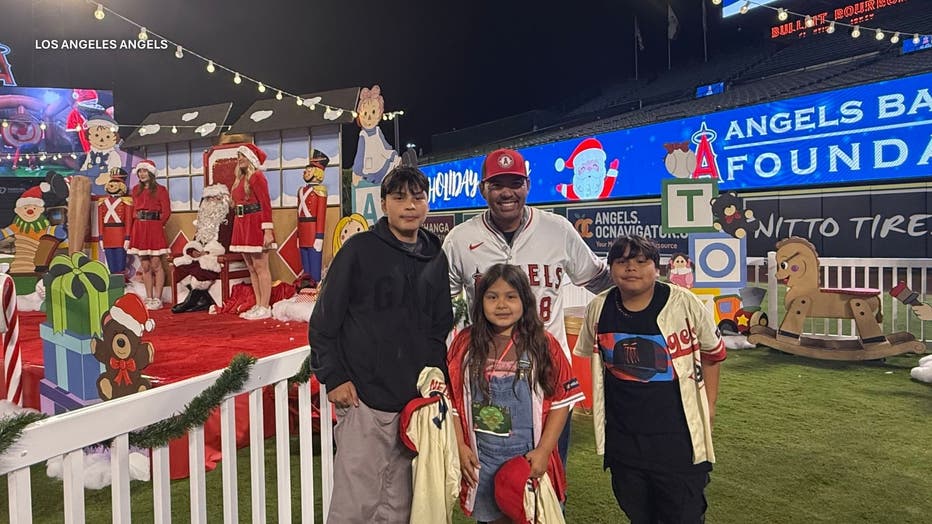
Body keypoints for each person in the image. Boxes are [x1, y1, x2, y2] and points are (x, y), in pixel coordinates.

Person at [443, 147, 613, 466]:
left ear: (528, 186)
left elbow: (599, 279)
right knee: (488, 472)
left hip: (547, 374)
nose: (507, 192)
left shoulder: (557, 229)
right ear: (482, 189)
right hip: (485, 376)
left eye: (515, 183)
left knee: (547, 478)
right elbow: (442, 305)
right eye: (497, 184)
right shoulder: (459, 239)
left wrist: (649, 289)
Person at [308, 166, 454, 523]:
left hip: (413, 404)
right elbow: (324, 320)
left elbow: (439, 327)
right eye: (399, 197)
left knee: (400, 508)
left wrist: (435, 385)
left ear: (427, 203)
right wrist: (334, 377)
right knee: (354, 508)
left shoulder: (436, 256)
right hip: (364, 399)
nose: (410, 206)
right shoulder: (359, 250)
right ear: (384, 204)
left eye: (417, 197)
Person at [573, 235, 726, 523]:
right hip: (624, 441)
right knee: (638, 513)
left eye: (642, 261)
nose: (631, 268)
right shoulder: (599, 308)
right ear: (611, 268)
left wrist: (710, 405)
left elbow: (713, 353)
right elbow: (590, 358)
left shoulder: (684, 303)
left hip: (677, 440)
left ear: (657, 268)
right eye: (622, 261)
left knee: (683, 515)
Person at [447, 263, 584, 523]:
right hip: (482, 458)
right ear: (480, 301)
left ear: (525, 301)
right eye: (492, 297)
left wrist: (544, 451)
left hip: (527, 457)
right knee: (490, 517)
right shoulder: (464, 344)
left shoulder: (543, 344)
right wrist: (460, 446)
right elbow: (453, 401)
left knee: (528, 515)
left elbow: (561, 402)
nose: (501, 305)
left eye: (511, 297)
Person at [229, 143, 275, 320]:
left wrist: (268, 230)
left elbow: (265, 204)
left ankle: (265, 306)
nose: (240, 159)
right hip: (241, 225)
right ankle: (258, 304)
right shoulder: (239, 179)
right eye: (238, 156)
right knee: (251, 268)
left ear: (251, 159)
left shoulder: (257, 177)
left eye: (243, 156)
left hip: (255, 224)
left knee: (261, 266)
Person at [171, 184, 232, 313]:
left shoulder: (227, 218)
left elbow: (227, 242)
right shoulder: (204, 220)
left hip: (217, 254)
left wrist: (208, 251)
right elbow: (196, 240)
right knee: (181, 265)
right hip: (202, 253)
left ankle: (191, 301)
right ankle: (204, 299)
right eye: (208, 199)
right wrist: (193, 251)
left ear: (223, 199)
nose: (211, 202)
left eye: (215, 198)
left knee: (204, 266)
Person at [126, 160, 171, 310]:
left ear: (151, 173)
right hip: (139, 228)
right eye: (139, 171)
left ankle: (158, 298)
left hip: (154, 228)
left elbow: (166, 212)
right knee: (145, 265)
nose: (142, 174)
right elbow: (133, 211)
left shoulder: (161, 190)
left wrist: (157, 225)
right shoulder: (135, 190)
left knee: (156, 264)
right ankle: (149, 297)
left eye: (144, 171)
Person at [297, 149, 329, 283]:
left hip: (313, 230)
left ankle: (315, 287)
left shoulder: (320, 191)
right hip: (303, 231)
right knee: (305, 265)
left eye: (309, 170)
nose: (305, 172)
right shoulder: (301, 190)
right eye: (306, 169)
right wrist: (298, 235)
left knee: (314, 264)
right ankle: (306, 286)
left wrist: (319, 236)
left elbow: (321, 216)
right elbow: (298, 215)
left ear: (317, 172)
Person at [97, 168, 133, 278]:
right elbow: (100, 221)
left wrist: (127, 237)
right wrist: (101, 237)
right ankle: (113, 280)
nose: (112, 185)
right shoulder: (102, 202)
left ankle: (121, 281)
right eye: (112, 181)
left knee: (120, 262)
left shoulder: (126, 201)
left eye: (116, 182)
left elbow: (128, 221)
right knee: (111, 262)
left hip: (120, 235)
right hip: (107, 236)